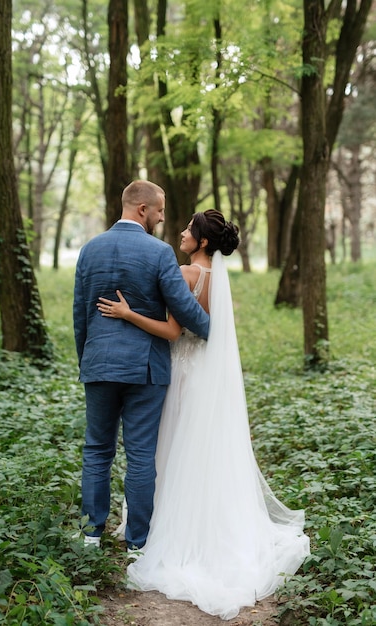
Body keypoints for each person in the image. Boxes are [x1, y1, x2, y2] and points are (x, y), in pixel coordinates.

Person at [97, 209, 310, 620]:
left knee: (171, 446)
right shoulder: (218, 281)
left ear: (203, 242)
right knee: (201, 451)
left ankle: (166, 528)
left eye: (189, 230)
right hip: (203, 373)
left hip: (180, 373)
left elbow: (171, 331)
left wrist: (127, 315)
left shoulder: (187, 274)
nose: (181, 231)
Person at [73, 180, 210, 551]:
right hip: (146, 370)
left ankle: (90, 536)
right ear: (142, 209)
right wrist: (217, 331)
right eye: (160, 210)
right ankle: (137, 545)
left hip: (99, 363)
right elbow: (183, 309)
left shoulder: (90, 250)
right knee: (140, 456)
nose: (163, 217)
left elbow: (81, 314)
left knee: (97, 450)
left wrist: (86, 358)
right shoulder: (159, 253)